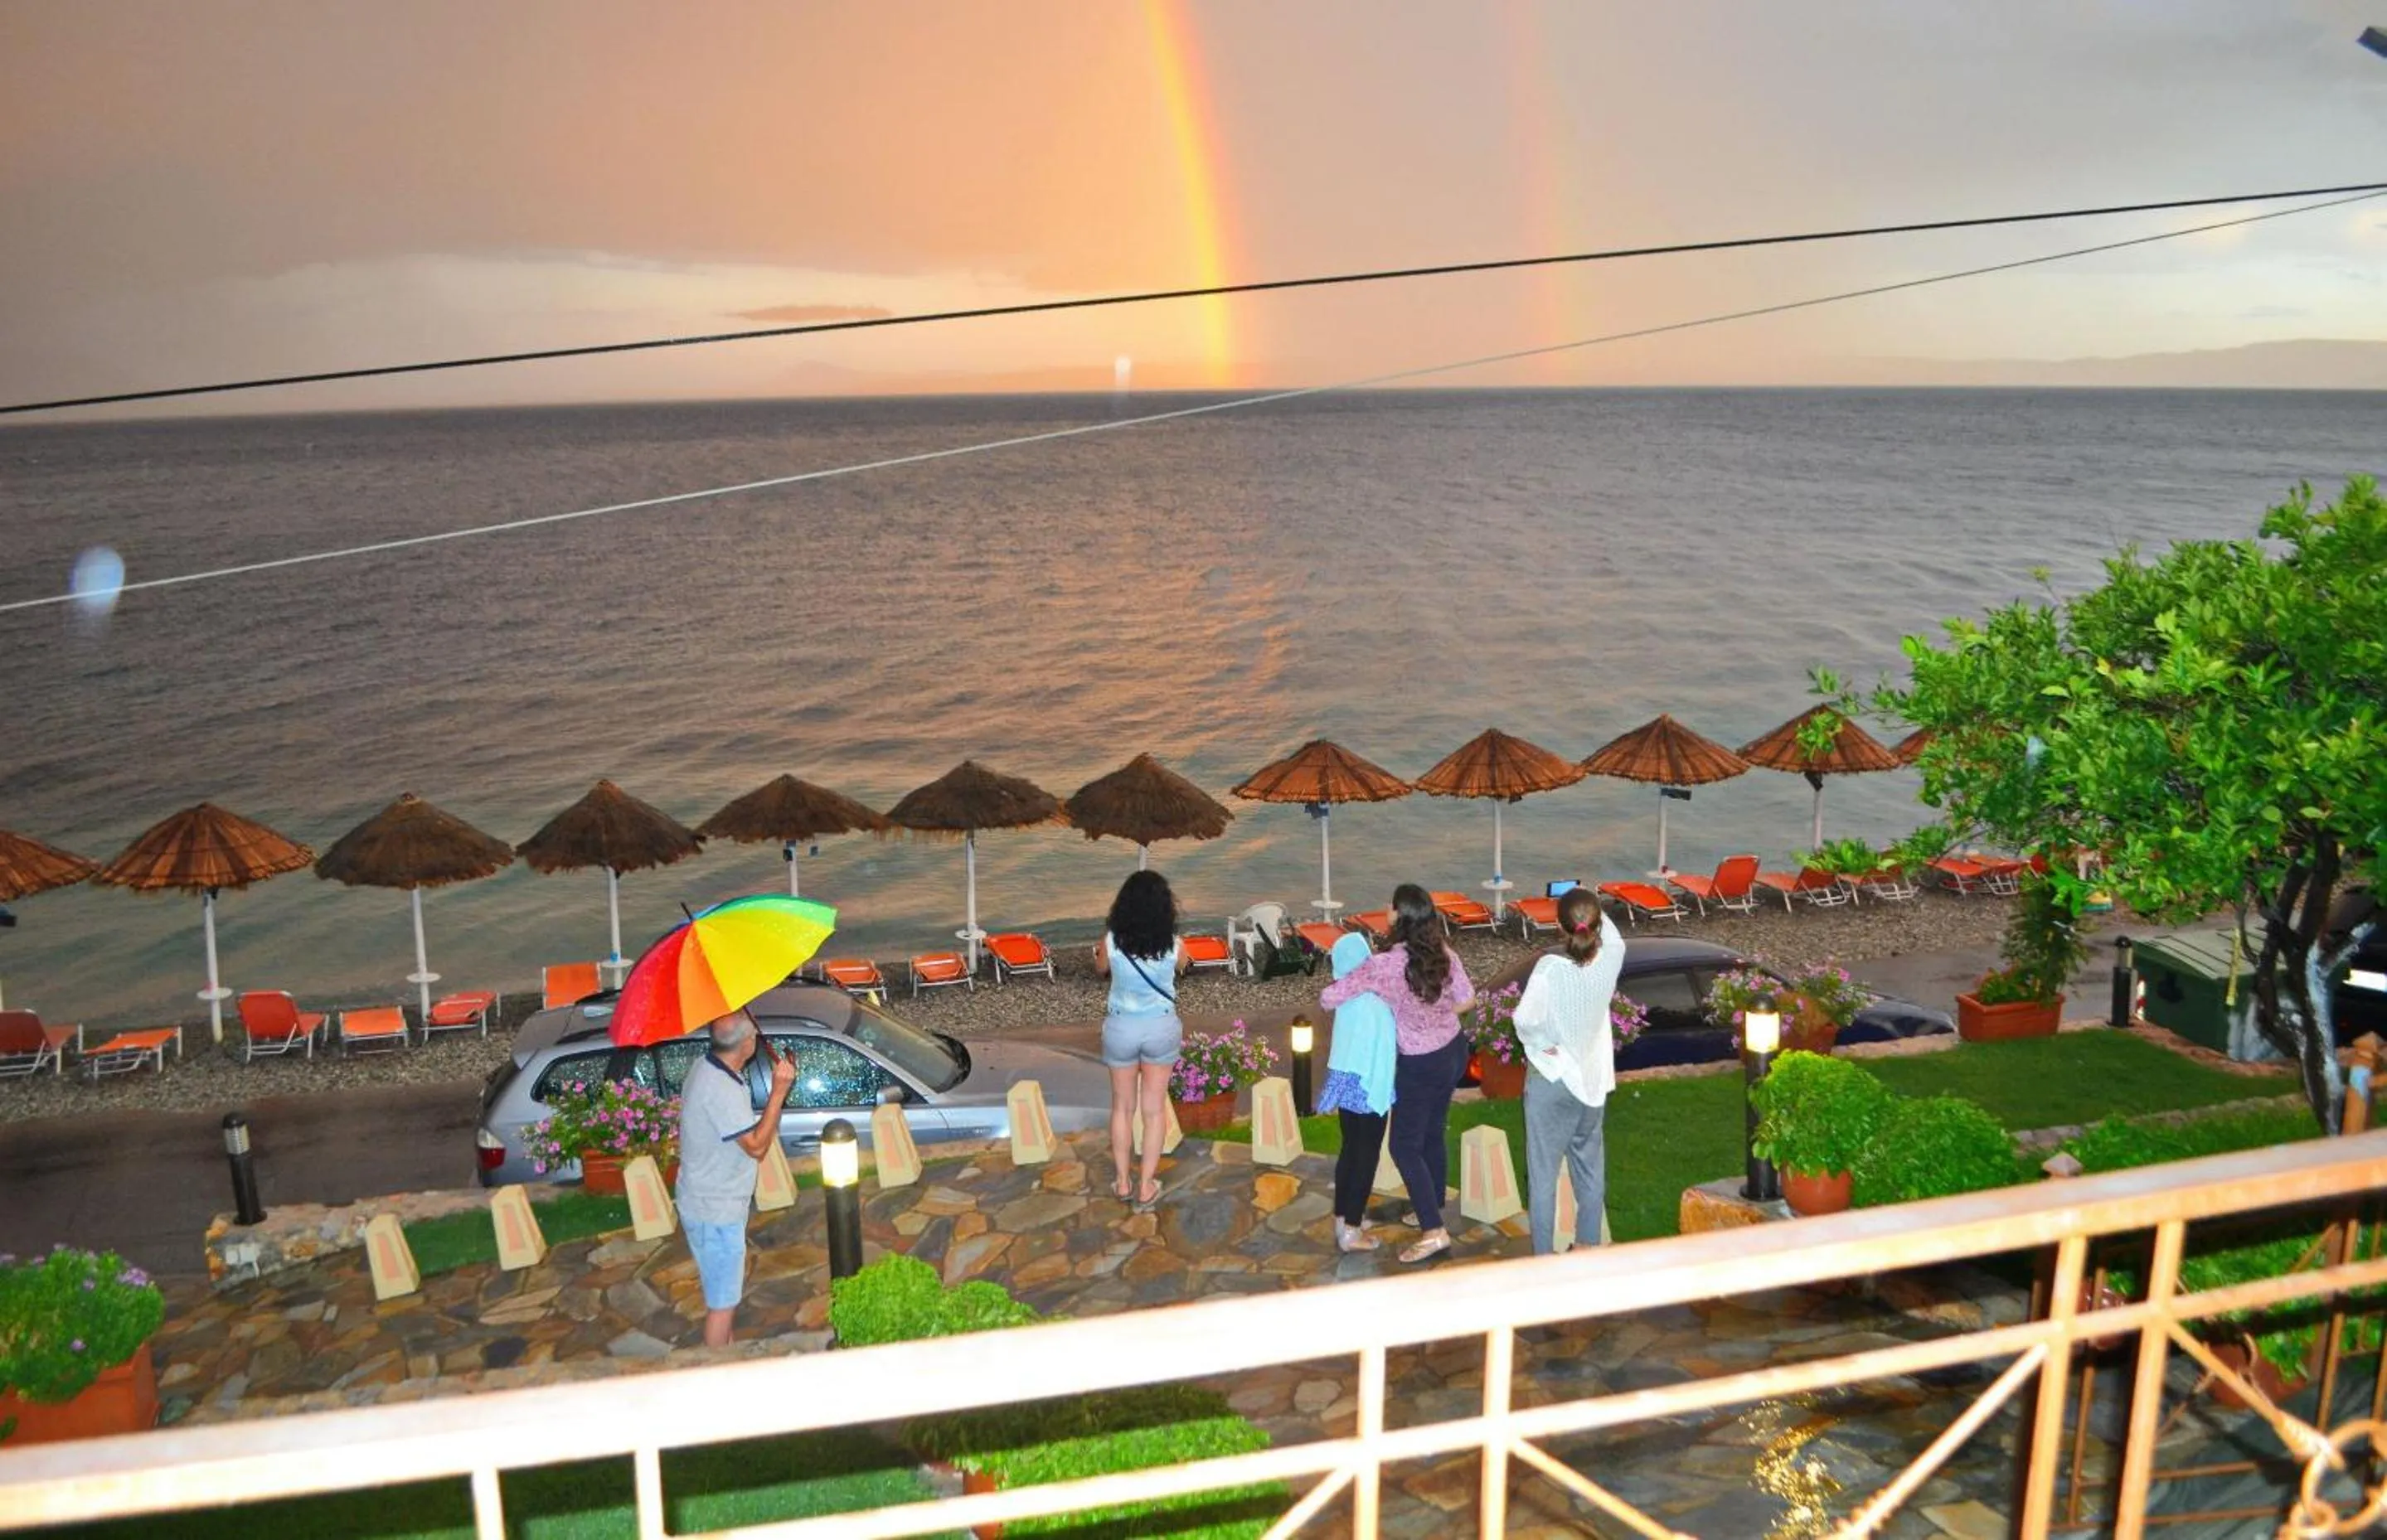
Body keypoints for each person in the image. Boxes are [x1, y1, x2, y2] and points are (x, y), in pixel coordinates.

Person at [1319, 884, 1475, 1262]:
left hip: (1420, 1063)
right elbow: (1467, 999)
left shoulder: (1385, 965)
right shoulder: (1444, 953)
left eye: (1390, 906)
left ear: (1399, 916)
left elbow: (1329, 998)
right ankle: (1430, 1204)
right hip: (1453, 1050)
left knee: (1403, 1146)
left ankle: (1433, 1231)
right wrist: (1436, 1018)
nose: (1385, 910)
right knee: (1432, 1133)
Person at [1513, 886, 1626, 1255]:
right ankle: (1588, 1245)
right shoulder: (1612, 958)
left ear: (1560, 928)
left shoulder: (1549, 970)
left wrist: (1549, 1049)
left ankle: (1544, 1259)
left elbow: (1525, 1022)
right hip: (1591, 1083)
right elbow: (1610, 933)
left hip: (1553, 1081)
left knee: (1544, 1176)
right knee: (1590, 1168)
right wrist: (1587, 899)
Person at [675, 1009, 795, 1346]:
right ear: (745, 1044)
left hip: (704, 1200)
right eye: (753, 1033)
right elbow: (756, 1146)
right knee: (722, 1304)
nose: (757, 1036)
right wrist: (779, 1092)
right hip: (715, 1210)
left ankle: (727, 1355)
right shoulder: (721, 1089)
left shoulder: (708, 1067)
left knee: (720, 1292)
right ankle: (718, 1378)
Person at [1093, 869, 1187, 1210]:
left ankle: (1122, 1181)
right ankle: (1146, 1185)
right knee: (1153, 1109)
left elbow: (1101, 969)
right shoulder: (1174, 945)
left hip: (1121, 1026)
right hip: (1160, 1026)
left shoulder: (1112, 941)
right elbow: (1182, 967)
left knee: (1122, 1106)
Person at [1317, 931, 1398, 1252]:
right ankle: (1351, 1230)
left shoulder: (1345, 998)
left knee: (1350, 1151)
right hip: (1368, 1086)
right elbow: (1383, 1050)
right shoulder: (1373, 1002)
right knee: (1366, 1157)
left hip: (1347, 1084)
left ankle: (1343, 1216)